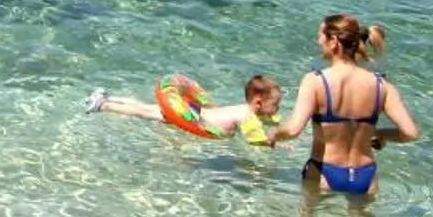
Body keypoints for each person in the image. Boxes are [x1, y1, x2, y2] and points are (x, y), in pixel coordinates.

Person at [268, 13, 419, 217]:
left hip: (325, 172)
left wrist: (275, 134)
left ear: (334, 42)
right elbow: (410, 132)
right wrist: (383, 134)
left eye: (320, 36)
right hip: (365, 175)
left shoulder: (315, 81)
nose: (317, 41)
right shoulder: (382, 85)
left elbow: (294, 128)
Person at [84, 74, 285, 144]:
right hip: (191, 116)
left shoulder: (246, 109)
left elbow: (262, 124)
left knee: (147, 108)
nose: (277, 108)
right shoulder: (247, 115)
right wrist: (276, 143)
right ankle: (103, 105)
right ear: (258, 103)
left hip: (194, 110)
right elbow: (255, 139)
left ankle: (108, 97)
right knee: (145, 112)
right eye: (275, 104)